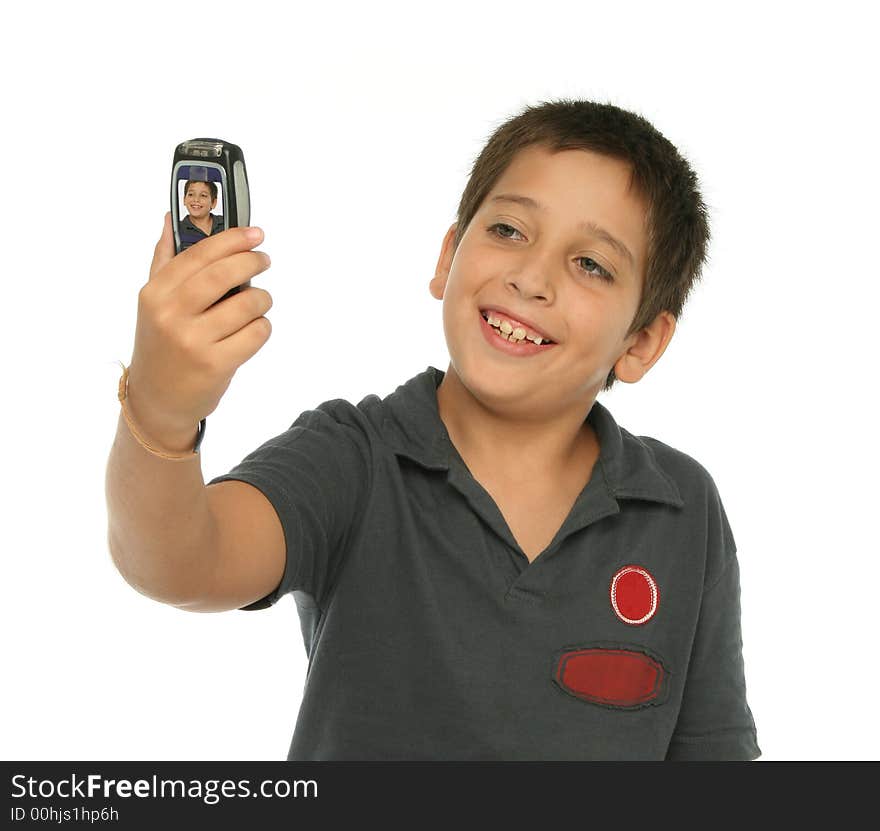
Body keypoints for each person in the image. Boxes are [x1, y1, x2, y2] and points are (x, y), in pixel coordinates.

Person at [106, 98, 760, 761]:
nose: (530, 276)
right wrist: (160, 407)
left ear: (643, 341)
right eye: (508, 229)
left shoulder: (683, 508)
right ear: (449, 256)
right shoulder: (351, 458)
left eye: (591, 263)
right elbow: (176, 562)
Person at [177, 179, 224, 250]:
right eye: (191, 194)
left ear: (213, 203)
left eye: (203, 195)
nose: (196, 199)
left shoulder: (225, 222)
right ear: (184, 200)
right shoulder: (178, 229)